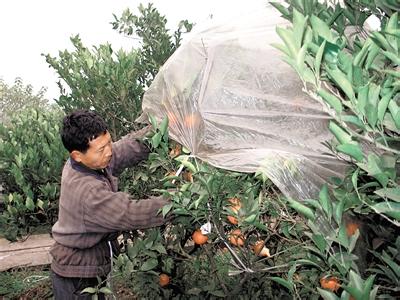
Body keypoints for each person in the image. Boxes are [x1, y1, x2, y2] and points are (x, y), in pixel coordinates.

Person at [50, 110, 169, 299]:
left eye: (108, 143)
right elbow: (132, 213)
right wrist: (178, 202)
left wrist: (166, 127)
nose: (109, 152)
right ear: (77, 155)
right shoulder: (87, 192)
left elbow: (128, 148)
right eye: (101, 149)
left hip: (88, 265)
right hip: (76, 277)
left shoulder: (85, 161)